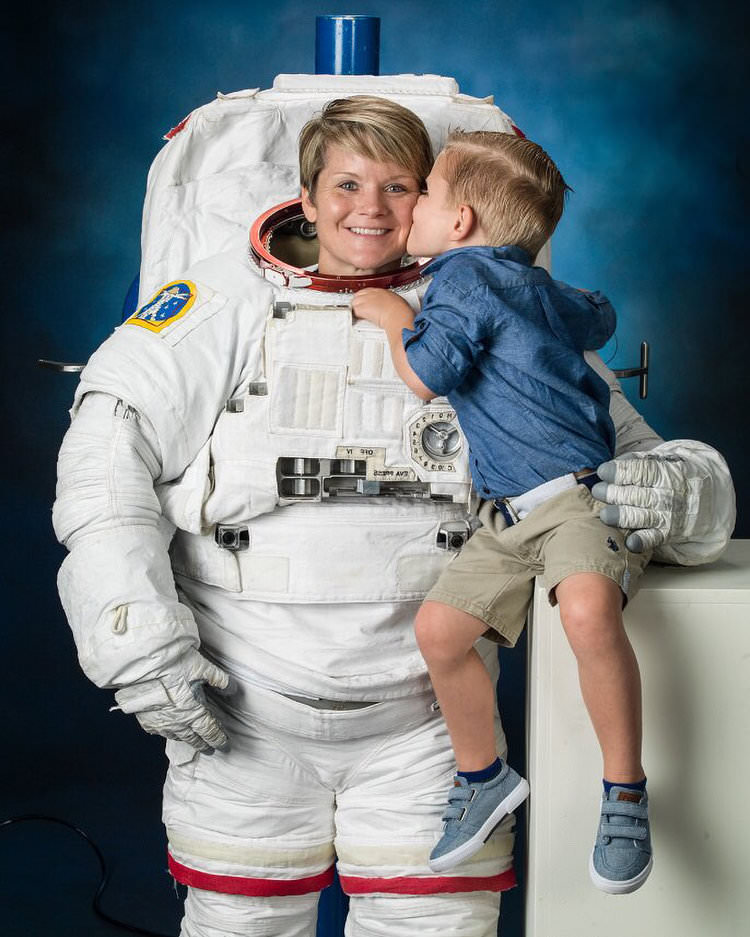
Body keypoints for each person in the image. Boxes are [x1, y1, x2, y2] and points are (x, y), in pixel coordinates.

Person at [53, 89, 734, 937]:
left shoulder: (497, 313)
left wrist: (683, 491)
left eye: (399, 187)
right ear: (304, 197)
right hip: (245, 715)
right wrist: (132, 634)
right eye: (344, 185)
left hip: (427, 731)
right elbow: (106, 451)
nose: (369, 209)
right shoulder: (223, 304)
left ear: (440, 206)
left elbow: (659, 472)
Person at [352, 129, 652, 894]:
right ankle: (482, 775)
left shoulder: (458, 279)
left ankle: (624, 792)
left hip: (574, 499)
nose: (408, 203)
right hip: (511, 515)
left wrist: (388, 311)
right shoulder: (530, 284)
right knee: (441, 630)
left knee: (587, 610)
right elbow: (598, 317)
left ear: (457, 224)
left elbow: (427, 374)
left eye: (423, 192)